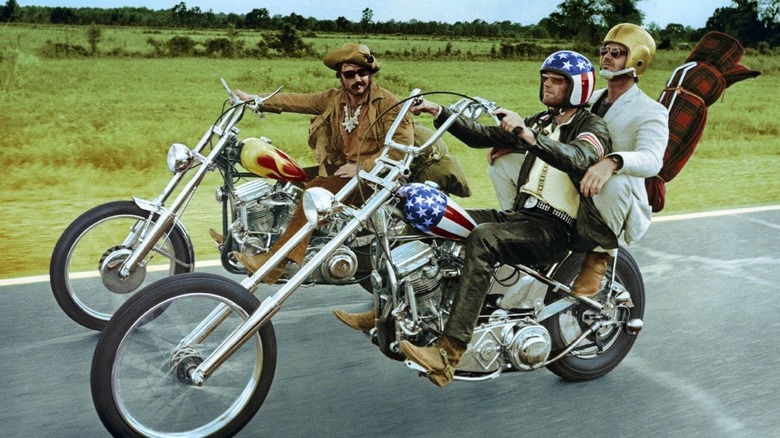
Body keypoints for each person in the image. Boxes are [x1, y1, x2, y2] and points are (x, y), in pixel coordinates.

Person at [335, 50, 613, 387]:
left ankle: (448, 354)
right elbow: (481, 135)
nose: (547, 85)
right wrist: (441, 112)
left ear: (578, 88)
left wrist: (527, 136)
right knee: (429, 219)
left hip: (555, 230)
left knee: (483, 238)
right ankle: (388, 313)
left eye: (556, 81)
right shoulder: (542, 122)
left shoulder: (590, 126)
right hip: (522, 215)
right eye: (546, 78)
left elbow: (580, 157)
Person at [221, 43, 469, 283]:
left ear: (370, 74)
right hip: (346, 172)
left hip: (379, 179)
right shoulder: (334, 99)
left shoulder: (389, 105)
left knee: (315, 190)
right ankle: (251, 241)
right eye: (350, 74)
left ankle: (277, 264)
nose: (357, 80)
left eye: (363, 73)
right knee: (286, 179)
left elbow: (401, 151)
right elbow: (296, 101)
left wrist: (362, 168)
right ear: (340, 77)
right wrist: (254, 99)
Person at [571, 23, 668, 296]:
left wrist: (613, 162)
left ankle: (599, 258)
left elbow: (652, 159)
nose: (607, 57)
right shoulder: (587, 100)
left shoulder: (651, 110)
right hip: (575, 184)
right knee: (506, 162)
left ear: (637, 59)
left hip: (618, 197)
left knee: (614, 183)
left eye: (617, 52)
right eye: (604, 50)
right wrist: (517, 143)